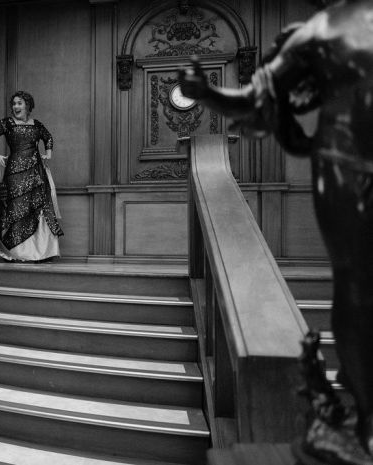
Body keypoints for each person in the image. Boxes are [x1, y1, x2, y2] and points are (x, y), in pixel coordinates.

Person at [180, 0, 373, 460]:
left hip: (346, 166)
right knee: (359, 290)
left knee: (360, 290)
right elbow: (256, 99)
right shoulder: (321, 29)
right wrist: (205, 92)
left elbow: (256, 101)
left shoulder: (328, 26)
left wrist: (205, 91)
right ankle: (367, 423)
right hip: (349, 169)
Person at [0, 91, 63, 262]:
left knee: (37, 206)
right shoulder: (7, 123)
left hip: (35, 172)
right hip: (14, 172)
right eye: (14, 103)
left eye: (19, 103)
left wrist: (48, 155)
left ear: (27, 105)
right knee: (16, 208)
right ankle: (16, 253)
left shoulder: (37, 124)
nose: (15, 106)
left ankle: (41, 253)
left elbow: (48, 138)